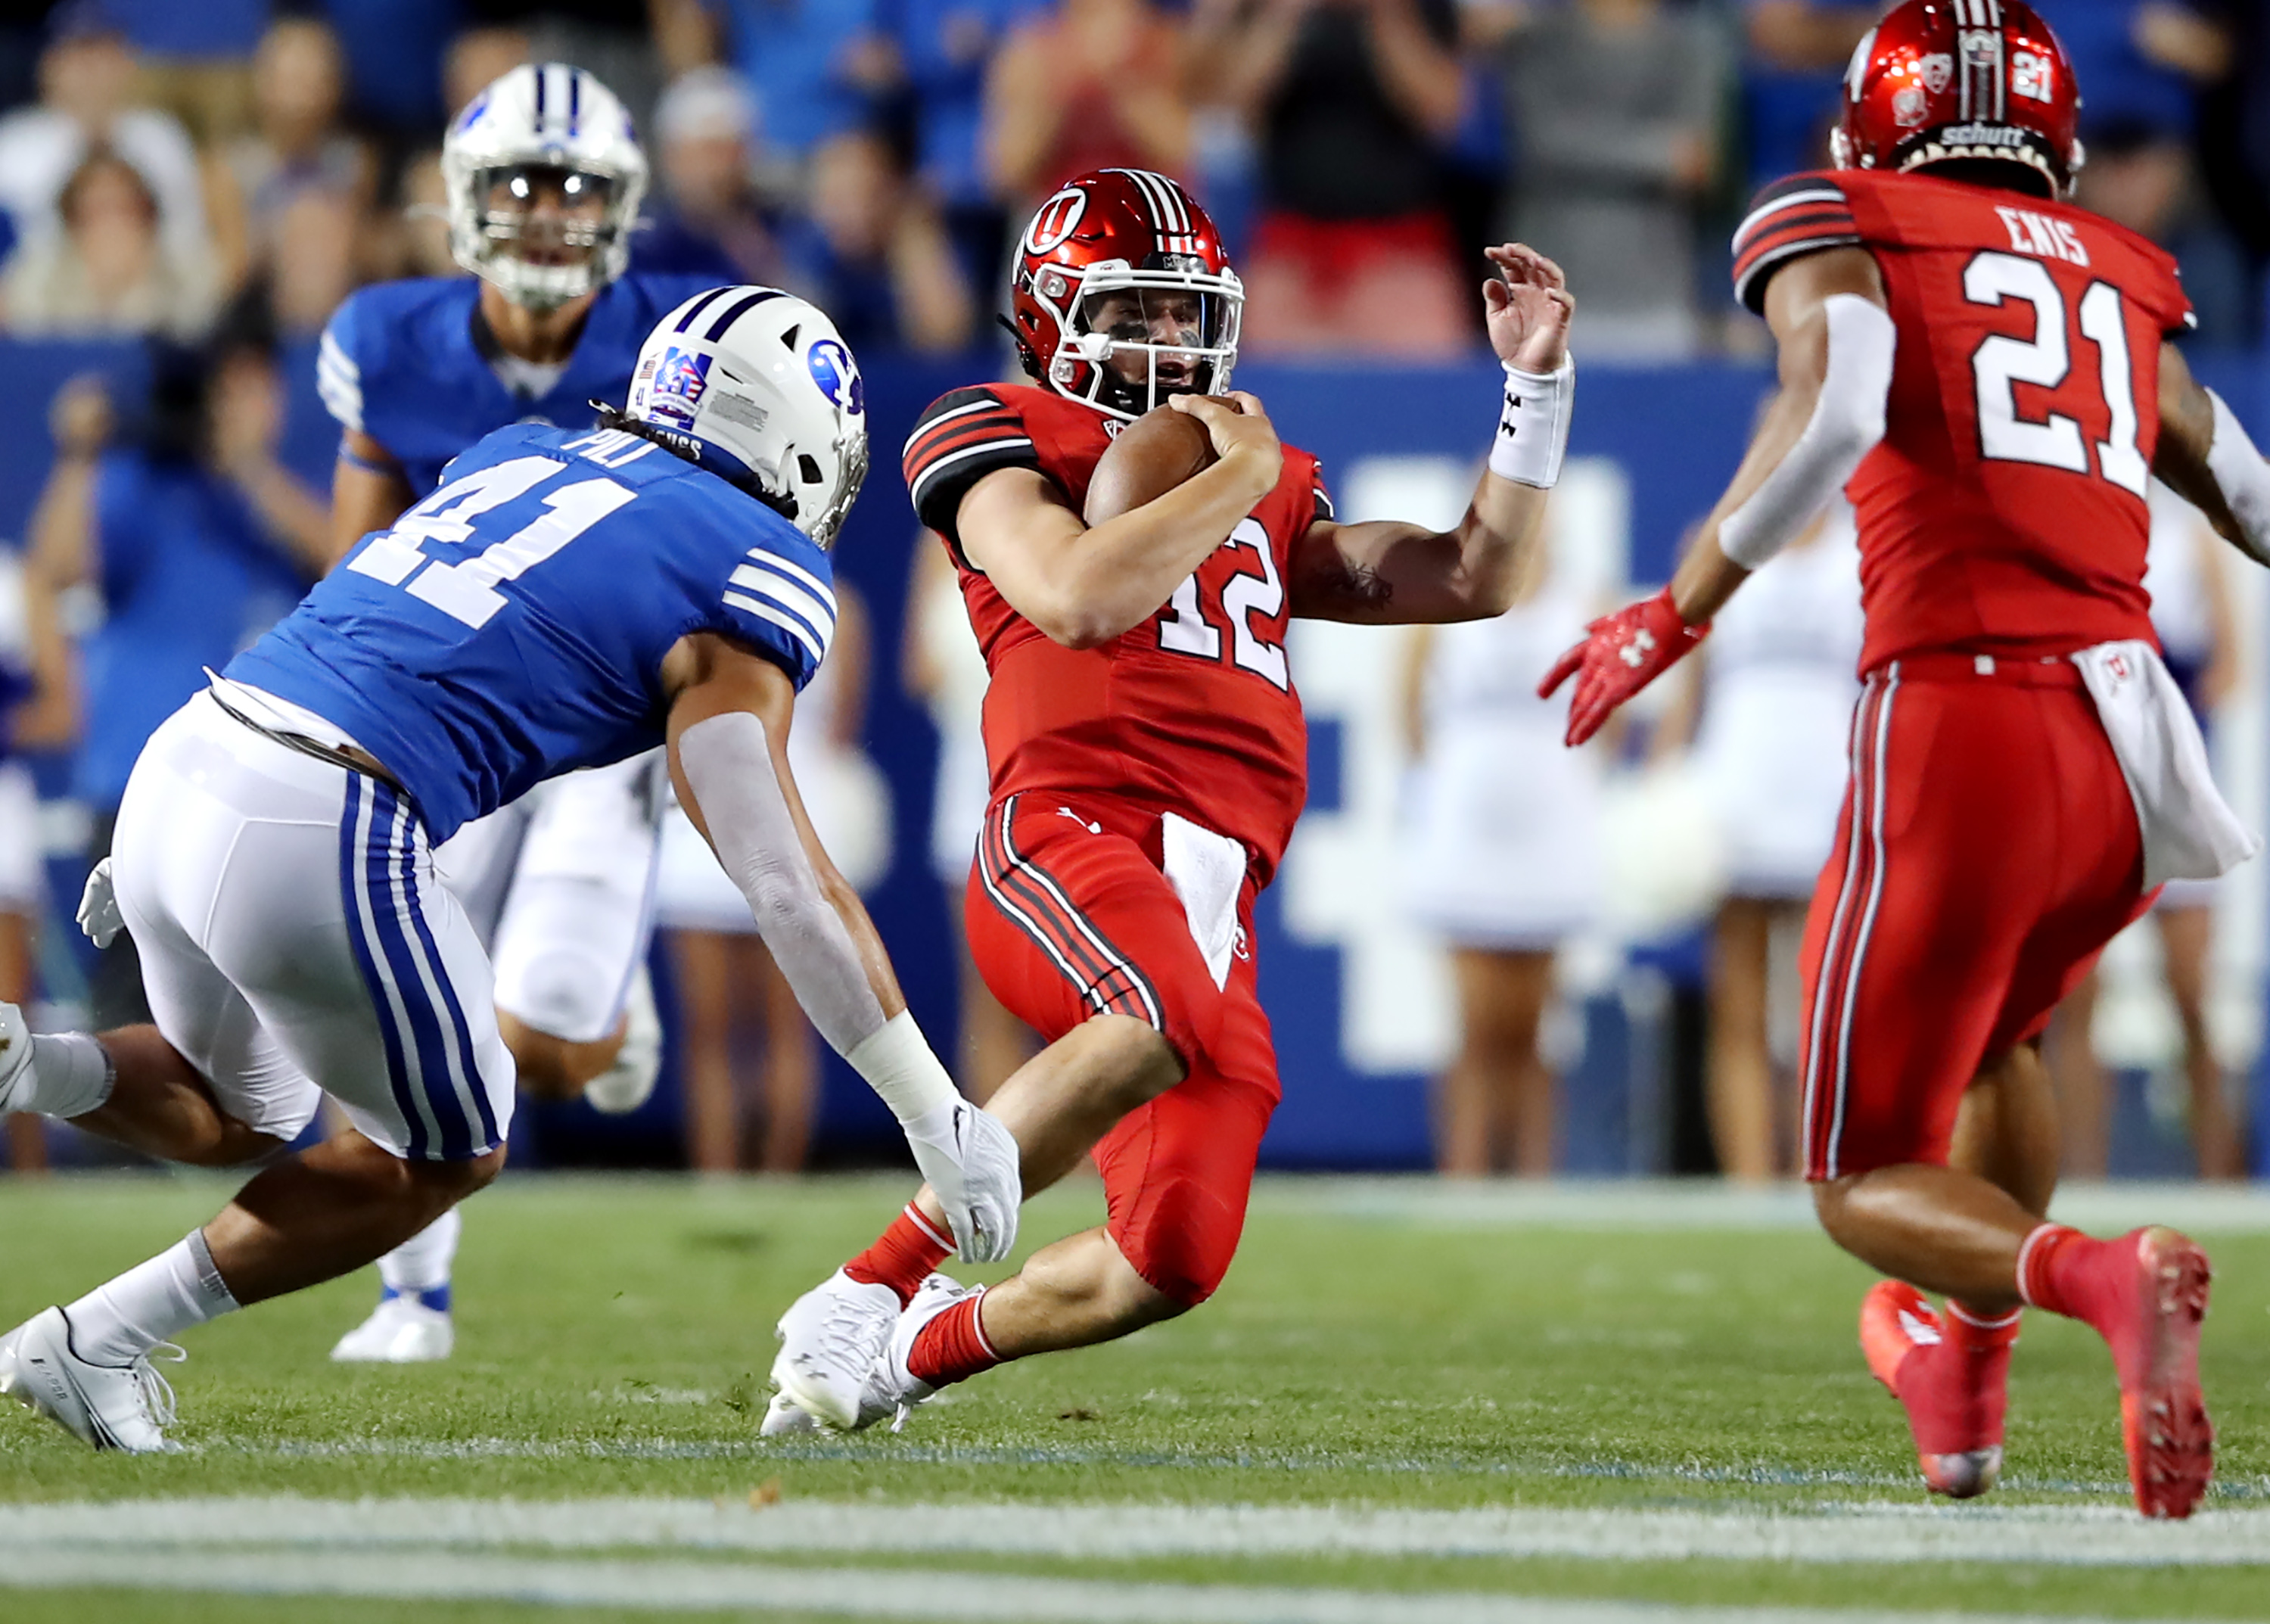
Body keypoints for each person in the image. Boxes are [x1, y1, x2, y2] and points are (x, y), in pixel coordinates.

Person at [0, 290, 1022, 1454]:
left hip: (196, 744)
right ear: (795, 436)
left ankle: (26, 1058)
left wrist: (163, 837)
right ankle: (90, 1340)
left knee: (240, 1108)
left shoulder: (528, 452)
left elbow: (366, 618)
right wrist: (931, 1111)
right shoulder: (751, 561)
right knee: (445, 1148)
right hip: (330, 799)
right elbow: (780, 877)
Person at [1538, 0, 2270, 1520]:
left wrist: (1672, 619)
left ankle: (2099, 1278)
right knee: (2002, 1039)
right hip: (2128, 738)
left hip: (1968, 708)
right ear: (2055, 136)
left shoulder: (1848, 213)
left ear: (1877, 123)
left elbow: (1846, 401)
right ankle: (1964, 1386)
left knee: (1859, 1171)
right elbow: (2244, 484)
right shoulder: (2118, 270)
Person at [763, 166, 1576, 1436]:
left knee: (1172, 1255)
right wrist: (1237, 477)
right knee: (1147, 1016)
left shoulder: (1253, 473)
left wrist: (1534, 393)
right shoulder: (991, 429)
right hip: (1074, 826)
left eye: (1187, 315)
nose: (1169, 343)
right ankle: (872, 1283)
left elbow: (1475, 575)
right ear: (1050, 309)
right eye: (1137, 311)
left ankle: (914, 1353)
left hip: (1217, 888)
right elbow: (1080, 597)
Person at [313, 64, 720, 1363]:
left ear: (623, 205)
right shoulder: (388, 339)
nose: (547, 211)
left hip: (600, 737)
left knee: (546, 1050)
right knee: (400, 989)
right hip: (450, 725)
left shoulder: (681, 345)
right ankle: (408, 1295)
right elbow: (354, 565)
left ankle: (614, 1005)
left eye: (576, 187)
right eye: (520, 184)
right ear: (462, 199)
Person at [31, 341, 327, 1035]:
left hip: (261, 789)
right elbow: (58, 566)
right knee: (135, 997)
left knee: (267, 1011)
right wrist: (81, 454)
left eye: (254, 394)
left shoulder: (280, 497)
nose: (237, 412)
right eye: (224, 396)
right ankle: (129, 1142)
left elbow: (344, 562)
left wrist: (247, 468)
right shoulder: (138, 481)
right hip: (138, 781)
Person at [1653, 502, 1862, 1181]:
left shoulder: (1862, 553)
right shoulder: (1712, 541)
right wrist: (1664, 784)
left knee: (1818, 1007)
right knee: (1737, 1005)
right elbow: (1692, 680)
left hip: (1828, 789)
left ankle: (1816, 1176)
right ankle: (1749, 1182)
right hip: (1737, 789)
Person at [2046, 482, 2247, 1180]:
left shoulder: (2186, 538)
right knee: (2076, 999)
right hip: (2091, 793)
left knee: (2192, 995)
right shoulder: (2072, 525)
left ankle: (2219, 1177)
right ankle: (2081, 1177)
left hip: (2166, 786)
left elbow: (2230, 669)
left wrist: (2160, 737)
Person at [657, 583, 892, 1173]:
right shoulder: (845, 606)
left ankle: (743, 1182)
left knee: (728, 1029)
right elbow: (842, 725)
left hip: (731, 812)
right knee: (770, 1025)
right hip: (776, 816)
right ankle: (753, 1182)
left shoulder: (695, 596)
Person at [1400, 544, 1603, 1178]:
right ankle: (1464, 1176)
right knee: (1472, 1025)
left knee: (1538, 1026)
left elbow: (1608, 712)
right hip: (1469, 833)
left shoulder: (1586, 606)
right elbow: (1408, 710)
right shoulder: (1439, 608)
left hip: (1550, 830)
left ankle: (1535, 1180)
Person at [903, 536, 1038, 1101]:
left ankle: (1095, 1171)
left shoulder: (1073, 509)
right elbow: (920, 671)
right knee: (989, 996)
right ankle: (1003, 1163)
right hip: (973, 794)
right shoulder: (936, 536)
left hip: (1062, 783)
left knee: (1083, 999)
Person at [0, 150, 220, 339]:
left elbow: (199, 332)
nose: (112, 224)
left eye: (124, 209)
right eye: (97, 210)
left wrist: (132, 285)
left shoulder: (189, 269)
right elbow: (24, 335)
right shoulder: (38, 273)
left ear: (148, 214)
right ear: (72, 221)